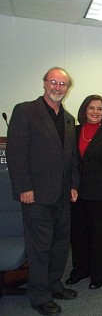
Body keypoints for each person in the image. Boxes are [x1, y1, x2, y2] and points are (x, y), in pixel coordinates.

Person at [6, 67, 79, 315]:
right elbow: (15, 153)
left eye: (63, 84)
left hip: (62, 195)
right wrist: (24, 187)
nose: (58, 88)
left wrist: (73, 185)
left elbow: (71, 159)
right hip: (36, 195)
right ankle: (39, 295)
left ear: (68, 88)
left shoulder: (69, 118)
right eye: (54, 82)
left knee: (60, 244)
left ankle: (54, 284)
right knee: (40, 247)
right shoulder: (26, 111)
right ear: (44, 83)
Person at [65, 95, 102, 290]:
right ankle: (80, 270)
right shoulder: (74, 131)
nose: (96, 112)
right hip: (77, 194)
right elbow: (70, 163)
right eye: (92, 108)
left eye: (99, 109)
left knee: (99, 237)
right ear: (84, 110)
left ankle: (98, 275)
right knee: (78, 236)